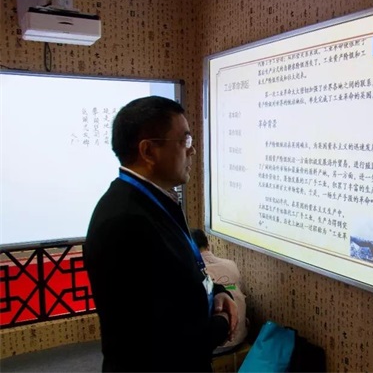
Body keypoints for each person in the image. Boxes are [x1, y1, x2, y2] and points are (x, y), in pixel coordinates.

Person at [83, 96, 238, 372]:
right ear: (148, 151)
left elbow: (182, 278)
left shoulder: (155, 202)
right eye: (184, 140)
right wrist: (222, 324)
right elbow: (160, 336)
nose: (192, 151)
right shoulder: (125, 220)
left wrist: (218, 293)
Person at [191, 228, 249, 354]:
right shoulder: (231, 264)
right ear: (208, 245)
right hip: (240, 338)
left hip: (214, 345)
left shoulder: (194, 271)